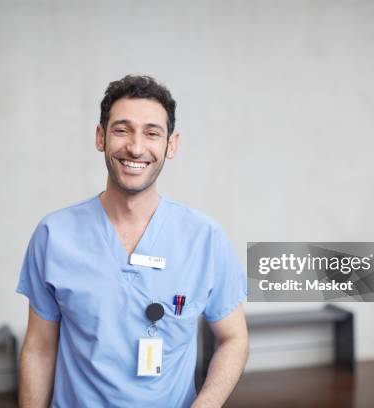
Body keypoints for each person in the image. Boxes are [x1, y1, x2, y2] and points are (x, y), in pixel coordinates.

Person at [16, 75, 249, 407]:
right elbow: (39, 349)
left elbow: (234, 339)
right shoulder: (54, 235)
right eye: (122, 130)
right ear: (101, 137)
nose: (136, 147)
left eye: (152, 133)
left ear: (172, 144)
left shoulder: (205, 239)